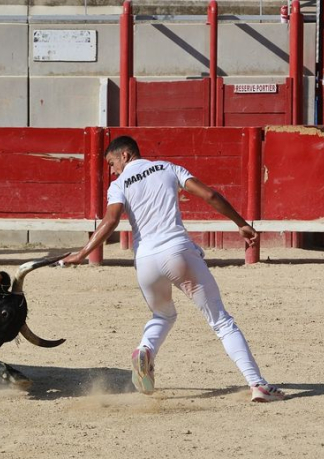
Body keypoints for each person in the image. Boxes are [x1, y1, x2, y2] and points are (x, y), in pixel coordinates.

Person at [60, 135, 285, 403]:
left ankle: (146, 348)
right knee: (221, 321)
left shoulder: (119, 184)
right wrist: (240, 222)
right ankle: (257, 384)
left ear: (125, 155)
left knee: (163, 314)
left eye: (111, 163)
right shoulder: (168, 168)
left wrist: (83, 253)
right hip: (178, 251)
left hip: (145, 261)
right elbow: (210, 195)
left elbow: (110, 220)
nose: (112, 170)